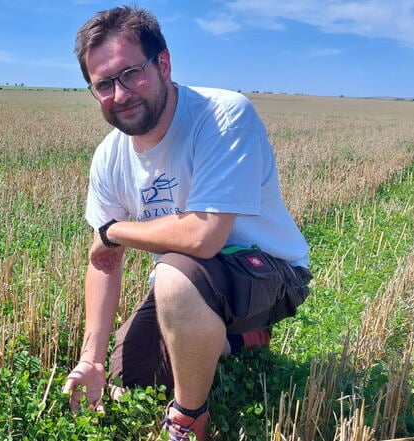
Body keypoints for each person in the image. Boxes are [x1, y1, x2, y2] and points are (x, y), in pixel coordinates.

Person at [61, 6, 313, 440]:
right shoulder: (109, 157)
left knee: (173, 276)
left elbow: (204, 235)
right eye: (103, 84)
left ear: (163, 63)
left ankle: (188, 418)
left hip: (271, 274)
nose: (119, 94)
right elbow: (104, 262)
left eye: (130, 74)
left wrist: (113, 231)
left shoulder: (223, 115)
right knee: (133, 371)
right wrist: (93, 359)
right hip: (195, 280)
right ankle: (239, 341)